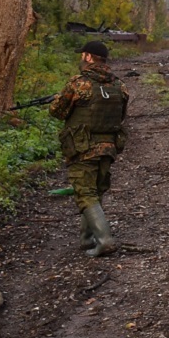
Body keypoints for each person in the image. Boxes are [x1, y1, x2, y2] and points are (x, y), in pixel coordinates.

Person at [50, 40, 129, 257]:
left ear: (87, 57)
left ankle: (104, 241)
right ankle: (87, 238)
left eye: (82, 55)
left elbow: (57, 112)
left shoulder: (78, 84)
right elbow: (121, 116)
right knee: (95, 191)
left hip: (83, 147)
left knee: (85, 192)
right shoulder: (119, 85)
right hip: (108, 147)